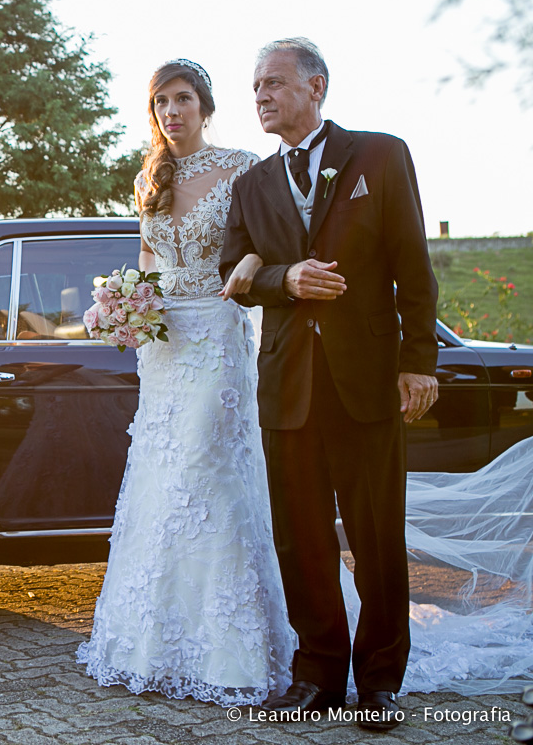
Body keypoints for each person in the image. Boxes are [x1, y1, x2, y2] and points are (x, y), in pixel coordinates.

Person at [219, 38, 439, 731]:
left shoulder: (380, 155)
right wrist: (286, 278)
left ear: (316, 87)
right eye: (256, 85)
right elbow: (236, 274)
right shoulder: (251, 185)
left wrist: (419, 361)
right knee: (302, 537)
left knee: (376, 536)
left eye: (275, 83)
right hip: (287, 386)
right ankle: (316, 675)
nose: (262, 95)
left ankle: (379, 682)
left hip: (367, 380)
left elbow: (413, 264)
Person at [76, 58, 295, 707]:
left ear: (205, 106)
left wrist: (248, 269)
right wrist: (127, 306)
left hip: (218, 337)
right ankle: (157, 643)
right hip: (163, 352)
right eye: (161, 103)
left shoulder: (243, 167)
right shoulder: (150, 177)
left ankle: (237, 649)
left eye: (182, 99)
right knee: (163, 484)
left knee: (210, 477)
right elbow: (148, 259)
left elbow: (274, 240)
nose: (171, 112)